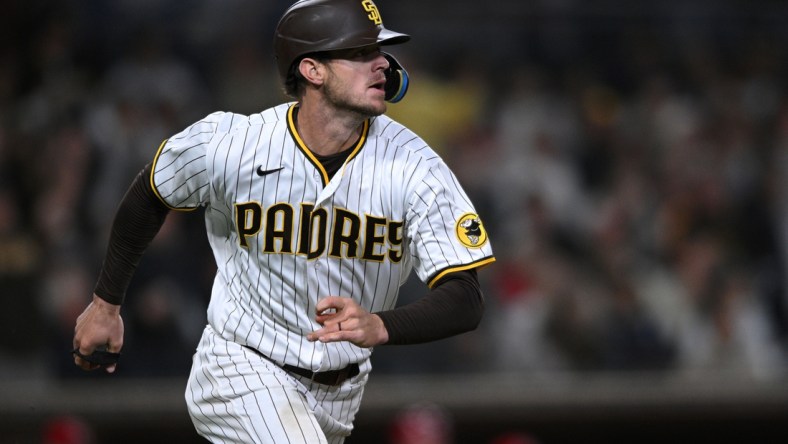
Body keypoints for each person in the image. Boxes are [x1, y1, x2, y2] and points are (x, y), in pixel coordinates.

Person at [72, 0, 495, 442]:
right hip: (240, 368)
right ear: (312, 70)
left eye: (381, 52)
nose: (382, 66)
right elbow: (150, 193)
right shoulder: (234, 143)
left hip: (340, 393)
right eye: (361, 53)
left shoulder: (416, 167)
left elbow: (466, 297)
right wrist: (106, 305)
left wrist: (383, 325)